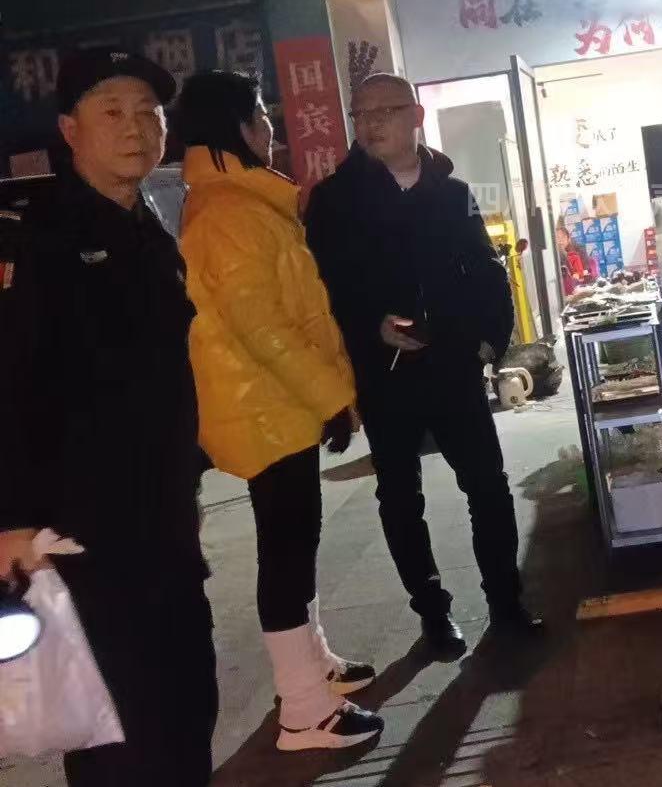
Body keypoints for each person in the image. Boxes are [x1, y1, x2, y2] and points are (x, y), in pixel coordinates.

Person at [0, 48, 216, 785]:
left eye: (149, 113)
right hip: (82, 537)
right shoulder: (39, 239)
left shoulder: (149, 228)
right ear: (70, 129)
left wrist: (185, 483)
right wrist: (13, 520)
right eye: (112, 112)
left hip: (162, 526)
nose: (136, 128)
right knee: (118, 738)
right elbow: (9, 384)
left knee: (186, 708)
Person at [175, 71, 384, 752]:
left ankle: (313, 667)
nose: (269, 127)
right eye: (261, 115)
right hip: (266, 407)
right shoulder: (227, 213)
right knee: (286, 552)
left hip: (278, 404)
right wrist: (333, 397)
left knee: (297, 542)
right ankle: (303, 709)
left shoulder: (242, 201)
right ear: (236, 126)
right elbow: (263, 328)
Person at [305, 73, 540, 653]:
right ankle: (434, 614)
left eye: (384, 111)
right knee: (400, 496)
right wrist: (373, 325)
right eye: (360, 114)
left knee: (487, 486)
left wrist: (488, 343)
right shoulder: (335, 200)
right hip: (385, 374)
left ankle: (506, 603)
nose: (370, 124)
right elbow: (323, 288)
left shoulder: (451, 191)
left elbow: (487, 269)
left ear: (415, 116)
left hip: (454, 364)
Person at [555, 218, 596, 296]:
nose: (560, 241)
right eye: (557, 238)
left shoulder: (578, 250)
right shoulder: (555, 255)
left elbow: (585, 270)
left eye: (562, 237)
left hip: (582, 285)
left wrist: (578, 274)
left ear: (568, 238)